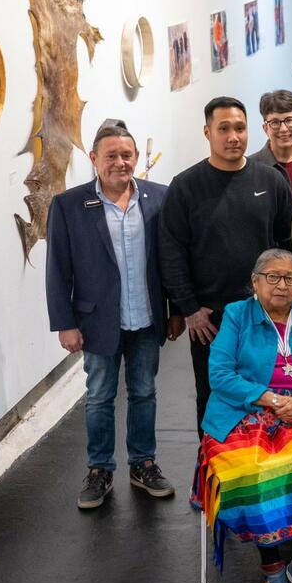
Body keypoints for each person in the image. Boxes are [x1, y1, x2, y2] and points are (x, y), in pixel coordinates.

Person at [194, 250, 292, 583]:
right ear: (255, 281)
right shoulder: (236, 315)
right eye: (272, 277)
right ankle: (273, 566)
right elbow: (220, 375)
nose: (281, 285)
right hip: (246, 412)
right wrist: (269, 399)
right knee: (256, 469)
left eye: (289, 278)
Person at [46, 119, 182, 509]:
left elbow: (169, 261)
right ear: (93, 159)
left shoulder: (159, 197)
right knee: (100, 396)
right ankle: (100, 470)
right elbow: (58, 269)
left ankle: (143, 464)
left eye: (127, 155)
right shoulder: (69, 205)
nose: (120, 162)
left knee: (144, 392)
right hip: (97, 321)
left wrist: (173, 311)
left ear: (137, 157)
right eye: (111, 156)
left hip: (146, 317)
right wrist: (65, 323)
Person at [160, 97, 292, 436]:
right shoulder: (185, 186)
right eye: (224, 129)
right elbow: (172, 252)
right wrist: (190, 309)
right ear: (207, 133)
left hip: (267, 315)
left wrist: (287, 304)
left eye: (239, 128)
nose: (233, 136)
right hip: (211, 320)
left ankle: (264, 475)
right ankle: (212, 475)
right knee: (214, 399)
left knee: (269, 395)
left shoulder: (271, 181)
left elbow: (288, 245)